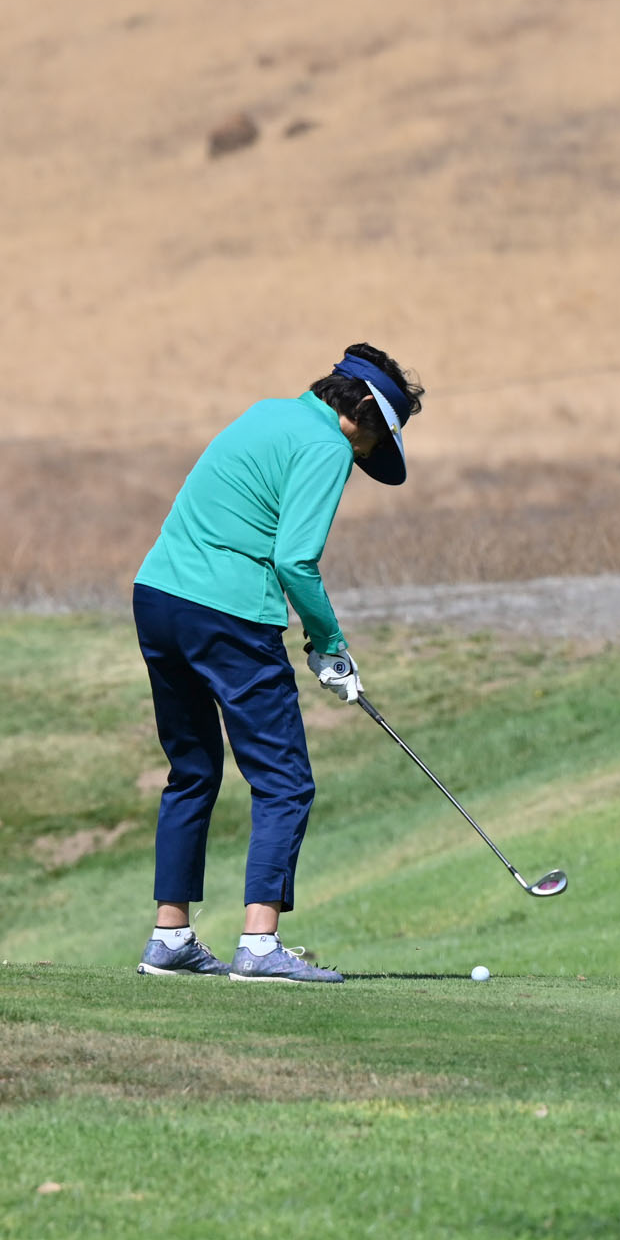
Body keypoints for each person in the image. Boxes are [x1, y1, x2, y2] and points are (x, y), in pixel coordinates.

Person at [130, 344, 423, 984]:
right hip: (229, 613)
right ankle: (260, 945)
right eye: (377, 440)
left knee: (193, 770)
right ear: (362, 412)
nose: (368, 455)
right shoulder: (328, 447)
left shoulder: (265, 412)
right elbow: (295, 559)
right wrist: (331, 645)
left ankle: (170, 936)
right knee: (284, 780)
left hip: (157, 597)